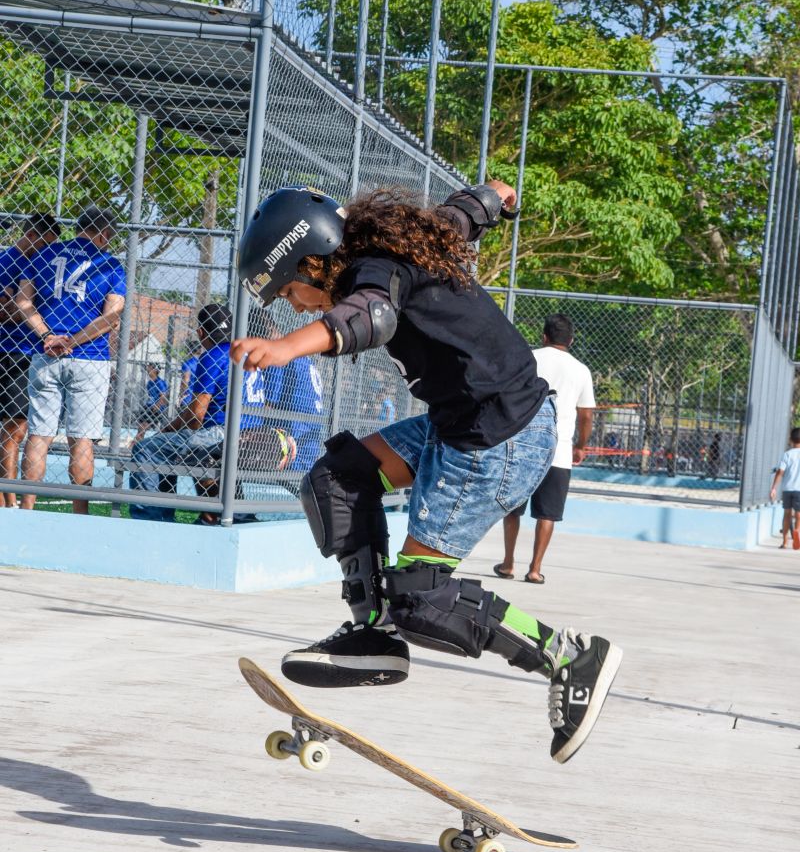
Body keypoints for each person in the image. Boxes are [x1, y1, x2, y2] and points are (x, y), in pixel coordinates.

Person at [232, 183, 623, 765]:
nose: (296, 304)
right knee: (339, 479)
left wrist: (291, 346)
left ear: (313, 259)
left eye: (291, 289)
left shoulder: (373, 270)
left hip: (498, 438)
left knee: (424, 597)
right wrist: (492, 197)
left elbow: (372, 317)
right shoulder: (411, 243)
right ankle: (374, 634)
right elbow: (458, 217)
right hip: (467, 422)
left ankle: (567, 656)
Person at [16, 207, 125, 515]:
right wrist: (72, 341)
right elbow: (111, 318)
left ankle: (27, 509)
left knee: (39, 434)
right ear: (104, 233)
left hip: (47, 353)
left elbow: (23, 301)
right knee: (81, 439)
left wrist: (48, 335)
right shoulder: (109, 264)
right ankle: (80, 517)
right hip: (88, 358)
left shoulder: (44, 255)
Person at [128, 303, 277, 523]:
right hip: (252, 435)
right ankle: (240, 517)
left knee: (145, 450)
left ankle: (152, 520)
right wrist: (175, 428)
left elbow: (197, 414)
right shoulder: (245, 354)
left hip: (220, 434)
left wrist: (178, 429)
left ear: (200, 332)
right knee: (169, 445)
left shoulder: (212, 354)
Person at [493, 313, 595, 584]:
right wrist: (581, 446)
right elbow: (586, 415)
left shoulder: (529, 358)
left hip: (523, 444)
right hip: (559, 449)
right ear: (571, 340)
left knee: (513, 508)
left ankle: (508, 562)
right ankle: (535, 569)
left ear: (544, 336)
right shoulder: (581, 370)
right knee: (547, 513)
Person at [0, 213, 61, 507]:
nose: (48, 251)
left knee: (30, 429)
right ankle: (9, 501)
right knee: (15, 428)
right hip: (12, 352)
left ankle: (20, 503)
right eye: (45, 244)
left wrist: (24, 308)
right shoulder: (8, 262)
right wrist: (28, 311)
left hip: (37, 353)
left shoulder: (44, 264)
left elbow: (20, 307)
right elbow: (6, 312)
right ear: (33, 236)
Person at [769, 427, 800, 550]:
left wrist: (773, 488)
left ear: (791, 440)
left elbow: (780, 472)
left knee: (787, 514)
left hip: (787, 489)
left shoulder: (787, 454)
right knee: (799, 514)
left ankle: (785, 542)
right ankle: (797, 532)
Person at [132, 361, 169, 444]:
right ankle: (138, 443)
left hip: (156, 409)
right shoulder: (149, 383)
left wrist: (156, 407)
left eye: (150, 367)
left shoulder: (159, 382)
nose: (148, 368)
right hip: (148, 407)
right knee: (140, 428)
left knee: (143, 428)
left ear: (155, 370)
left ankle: (135, 443)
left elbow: (163, 398)